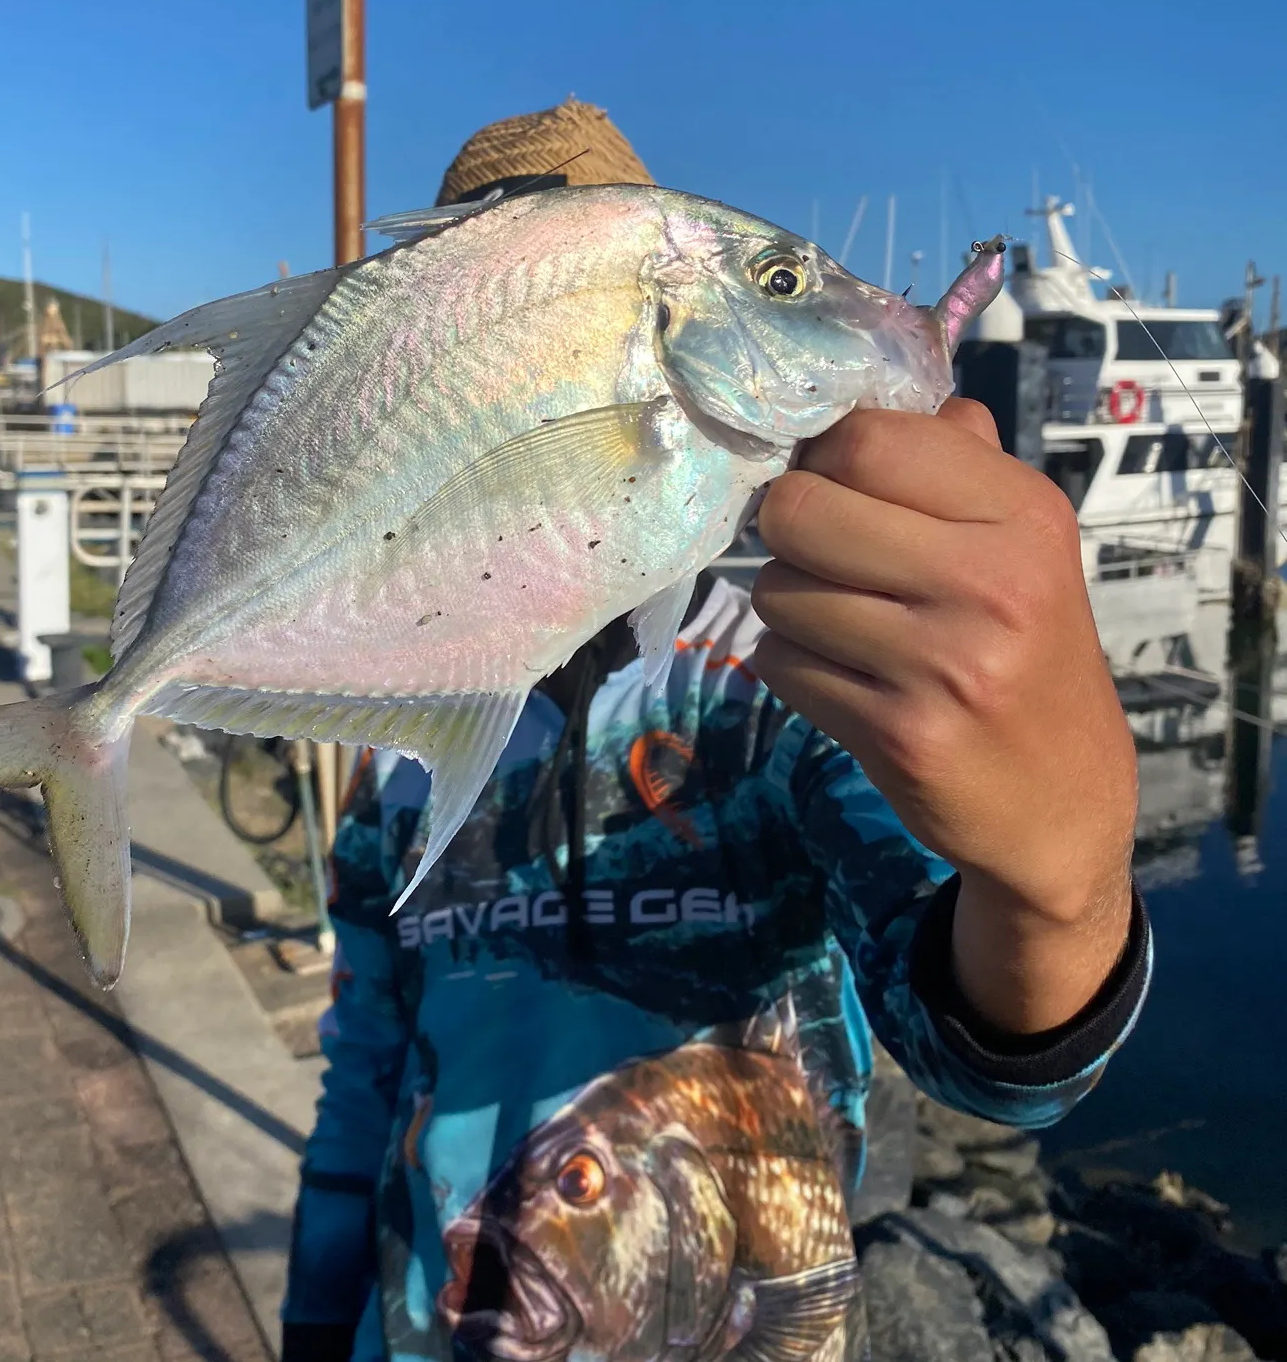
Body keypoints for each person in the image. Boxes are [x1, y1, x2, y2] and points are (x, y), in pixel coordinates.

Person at [281, 98, 1148, 1362]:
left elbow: (991, 1062)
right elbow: (362, 1072)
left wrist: (1065, 883)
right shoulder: (400, 759)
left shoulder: (779, 698)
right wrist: (315, 1322)